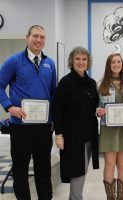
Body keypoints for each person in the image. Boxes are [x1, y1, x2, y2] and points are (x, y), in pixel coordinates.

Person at [0, 25, 56, 200]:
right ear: (27, 38)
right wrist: (9, 106)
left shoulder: (49, 63)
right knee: (20, 170)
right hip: (20, 127)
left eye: (42, 37)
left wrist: (54, 119)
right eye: (35, 36)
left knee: (43, 170)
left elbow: (53, 93)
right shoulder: (14, 61)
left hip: (43, 127)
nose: (39, 40)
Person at [53, 46, 99, 199]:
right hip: (72, 135)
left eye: (84, 59)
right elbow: (57, 110)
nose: (81, 62)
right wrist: (59, 134)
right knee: (77, 170)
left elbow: (94, 106)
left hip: (88, 134)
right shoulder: (66, 82)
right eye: (77, 59)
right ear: (71, 61)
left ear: (88, 62)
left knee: (82, 169)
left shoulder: (92, 83)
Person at [96, 53, 123, 200]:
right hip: (108, 130)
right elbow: (96, 107)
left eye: (119, 62)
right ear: (109, 65)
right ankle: (110, 197)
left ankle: (121, 197)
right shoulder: (100, 84)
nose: (116, 64)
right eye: (113, 62)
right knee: (109, 164)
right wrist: (98, 111)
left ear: (122, 64)